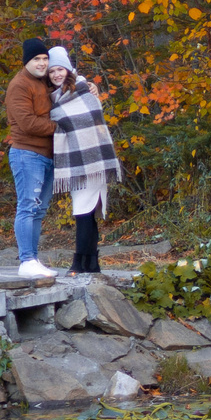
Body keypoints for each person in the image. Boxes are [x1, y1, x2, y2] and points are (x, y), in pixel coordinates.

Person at [44, 45, 123, 276]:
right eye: (52, 71)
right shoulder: (56, 97)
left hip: (93, 161)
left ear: (68, 70)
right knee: (86, 212)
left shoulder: (83, 90)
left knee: (83, 211)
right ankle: (92, 265)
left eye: (60, 69)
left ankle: (80, 263)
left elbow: (92, 120)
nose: (56, 74)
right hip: (78, 162)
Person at [5, 38, 57, 277]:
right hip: (27, 154)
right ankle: (26, 261)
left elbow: (66, 77)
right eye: (37, 59)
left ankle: (33, 261)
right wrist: (60, 127)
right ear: (27, 61)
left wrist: (89, 86)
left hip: (47, 156)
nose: (42, 63)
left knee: (40, 210)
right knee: (28, 207)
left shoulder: (43, 81)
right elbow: (27, 123)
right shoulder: (19, 85)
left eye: (45, 59)